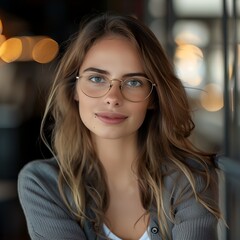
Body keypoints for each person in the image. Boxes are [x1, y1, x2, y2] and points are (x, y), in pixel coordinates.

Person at [18, 12, 223, 240]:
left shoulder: (191, 179)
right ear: (74, 89)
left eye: (133, 82)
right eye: (97, 78)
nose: (113, 97)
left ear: (153, 97)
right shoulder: (43, 184)